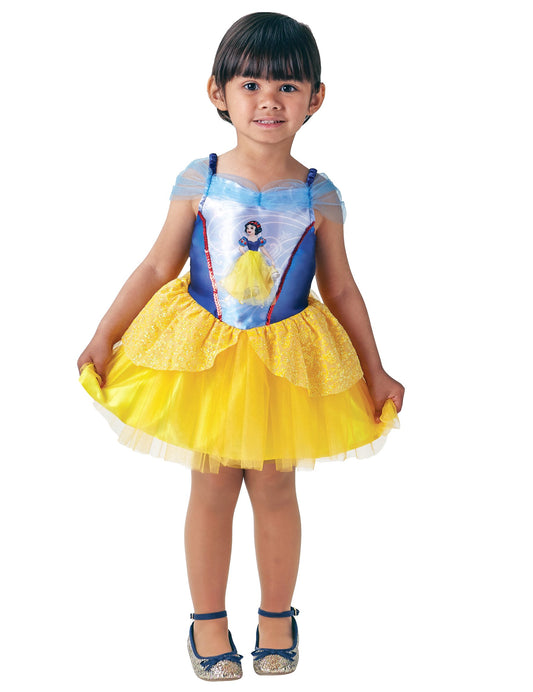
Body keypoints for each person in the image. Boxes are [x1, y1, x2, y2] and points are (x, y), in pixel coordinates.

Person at [77, 11, 405, 682]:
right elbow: (156, 265)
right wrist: (105, 334)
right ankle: (207, 620)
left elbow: (341, 289)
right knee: (211, 486)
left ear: (315, 98)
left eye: (287, 86)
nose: (268, 100)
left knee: (277, 486)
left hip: (286, 363)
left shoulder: (320, 195)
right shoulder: (198, 178)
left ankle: (277, 615)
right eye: (251, 84)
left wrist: (375, 370)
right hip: (208, 357)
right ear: (217, 92)